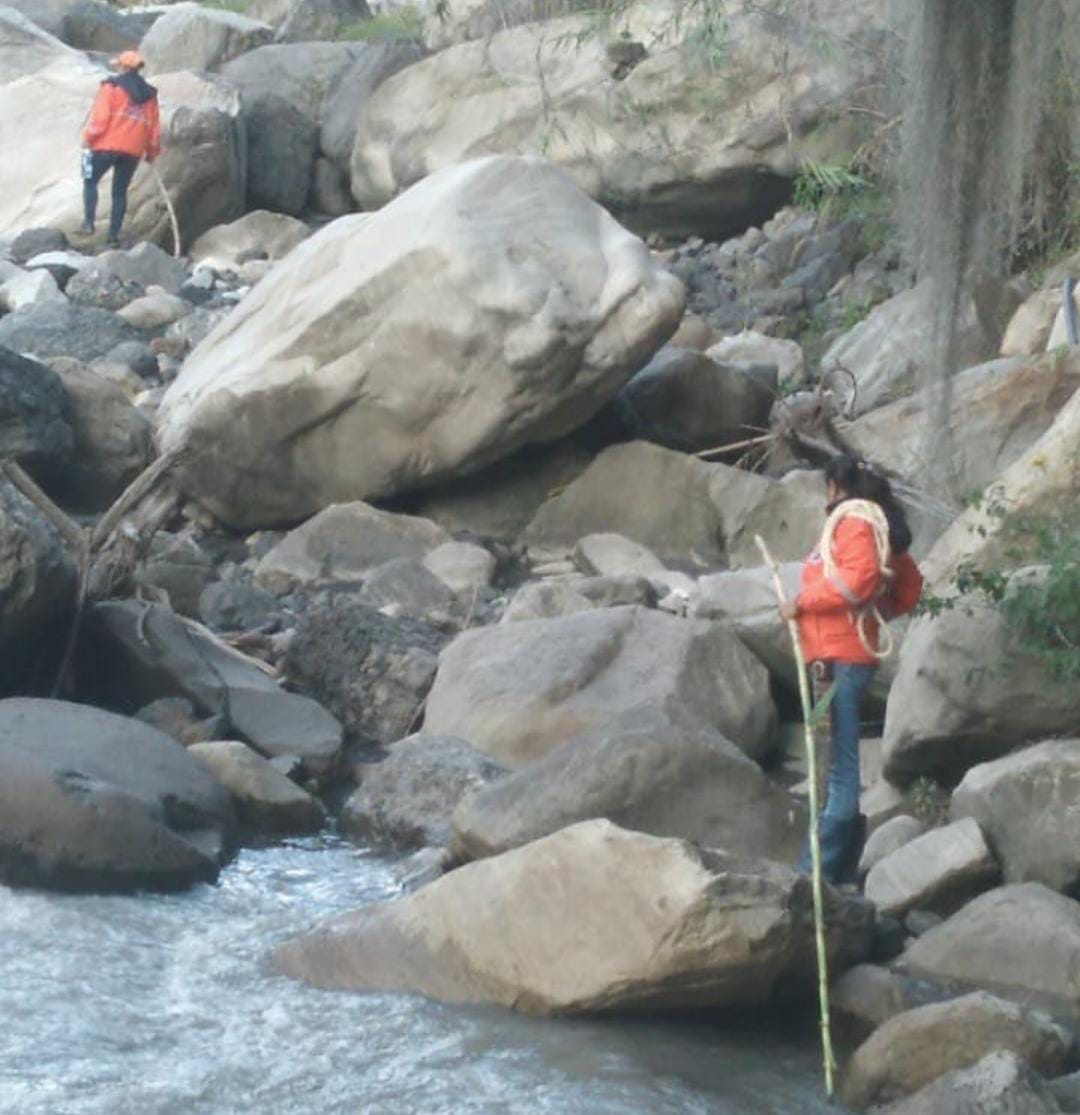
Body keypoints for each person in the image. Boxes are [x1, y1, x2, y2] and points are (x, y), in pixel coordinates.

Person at [779, 454, 923, 884]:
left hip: (838, 662)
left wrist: (803, 602)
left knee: (837, 768)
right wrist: (873, 612)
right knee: (832, 764)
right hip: (838, 659)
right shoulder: (875, 529)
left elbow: (857, 580)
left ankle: (815, 872)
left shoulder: (855, 524)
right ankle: (836, 870)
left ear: (837, 488)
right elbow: (907, 586)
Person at [80, 51, 160, 246]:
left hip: (106, 146)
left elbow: (100, 119)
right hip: (133, 151)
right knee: (119, 191)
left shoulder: (111, 87)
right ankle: (112, 236)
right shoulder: (150, 95)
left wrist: (87, 138)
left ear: (123, 67)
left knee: (89, 179)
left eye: (118, 65)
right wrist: (151, 153)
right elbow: (153, 127)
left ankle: (88, 223)